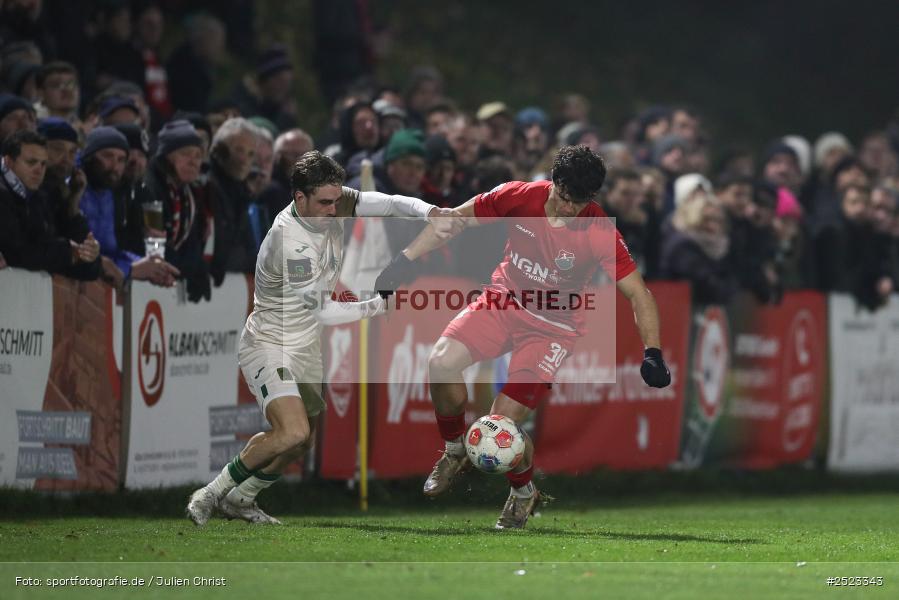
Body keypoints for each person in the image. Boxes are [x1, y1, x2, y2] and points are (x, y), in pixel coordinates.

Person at [374, 145, 671, 529]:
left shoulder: (598, 229)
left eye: (579, 203)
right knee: (441, 362)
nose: (569, 209)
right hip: (503, 300)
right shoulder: (519, 195)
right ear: (553, 181)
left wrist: (653, 352)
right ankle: (452, 449)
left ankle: (522, 491)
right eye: (564, 197)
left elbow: (638, 293)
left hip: (553, 328)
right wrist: (405, 260)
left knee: (500, 425)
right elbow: (456, 220)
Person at [186, 151, 463, 526]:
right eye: (325, 203)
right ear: (299, 198)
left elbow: (389, 203)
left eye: (337, 200)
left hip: (306, 346)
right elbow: (323, 311)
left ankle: (243, 498)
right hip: (271, 344)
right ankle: (210, 494)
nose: (335, 210)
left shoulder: (327, 201)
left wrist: (429, 211)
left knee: (302, 440)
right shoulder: (292, 242)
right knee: (291, 430)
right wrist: (374, 308)